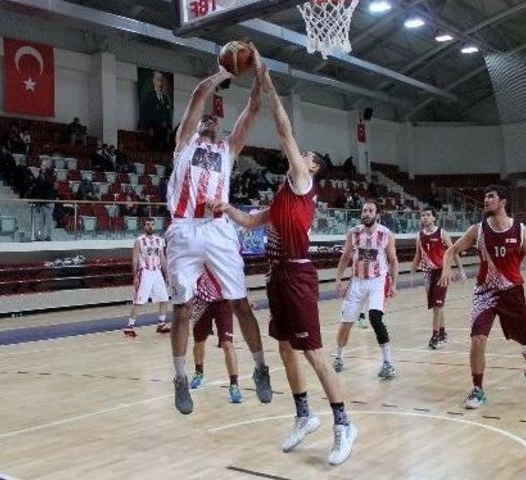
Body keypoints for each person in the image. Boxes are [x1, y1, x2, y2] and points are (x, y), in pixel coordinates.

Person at [216, 61, 357, 465]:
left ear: (312, 167)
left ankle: (344, 424)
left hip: (297, 273)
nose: (302, 154)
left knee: (312, 351)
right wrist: (224, 206)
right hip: (275, 275)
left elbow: (282, 129)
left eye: (308, 155)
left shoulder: (302, 181)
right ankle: (303, 415)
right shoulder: (282, 194)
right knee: (284, 349)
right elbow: (248, 221)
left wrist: (265, 77)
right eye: (303, 153)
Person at [166, 46, 271, 415]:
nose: (208, 120)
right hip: (184, 229)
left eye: (213, 120)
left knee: (240, 303)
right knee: (181, 309)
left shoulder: (228, 151)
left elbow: (254, 110)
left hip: (219, 229)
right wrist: (223, 73)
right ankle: (181, 379)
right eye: (203, 121)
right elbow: (198, 95)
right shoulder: (183, 146)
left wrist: (258, 71)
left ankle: (260, 368)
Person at [439, 185, 526, 409]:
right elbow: (451, 250)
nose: (486, 201)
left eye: (490, 197)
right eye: (485, 196)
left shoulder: (520, 230)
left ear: (502, 201)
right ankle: (478, 389)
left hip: (513, 294)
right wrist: (446, 269)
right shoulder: (477, 230)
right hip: (484, 294)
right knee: (478, 339)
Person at [332, 200, 399, 379]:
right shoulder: (353, 233)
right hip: (357, 282)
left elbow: (393, 260)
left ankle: (387, 363)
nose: (366, 213)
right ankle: (339, 357)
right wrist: (338, 278)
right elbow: (346, 256)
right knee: (346, 324)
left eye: (370, 211)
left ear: (377, 214)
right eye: (364, 210)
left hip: (377, 281)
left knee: (375, 318)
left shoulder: (386, 234)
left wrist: (393, 284)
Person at [412, 208, 466, 349]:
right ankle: (442, 333)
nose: (425, 218)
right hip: (428, 274)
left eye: (428, 215)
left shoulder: (442, 233)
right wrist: (412, 273)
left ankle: (435, 336)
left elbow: (454, 252)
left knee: (437, 305)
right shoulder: (419, 236)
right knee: (437, 306)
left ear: (434, 218)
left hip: (442, 272)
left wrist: (461, 270)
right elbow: (417, 256)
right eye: (423, 215)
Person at [188, 268, 243, 404]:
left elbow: (233, 274)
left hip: (223, 301)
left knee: (227, 343)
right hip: (200, 302)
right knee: (199, 342)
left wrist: (241, 299)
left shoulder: (221, 253)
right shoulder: (195, 254)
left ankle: (234, 385)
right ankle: (199, 372)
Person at [125, 218, 170, 337]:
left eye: (152, 224)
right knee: (139, 300)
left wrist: (167, 274)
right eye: (147, 224)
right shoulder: (139, 241)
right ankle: (129, 326)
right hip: (144, 272)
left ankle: (161, 324)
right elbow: (134, 260)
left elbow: (163, 259)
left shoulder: (159, 240)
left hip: (157, 272)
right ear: (144, 227)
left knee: (164, 298)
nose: (150, 226)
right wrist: (135, 276)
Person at [139, 70, 173, 152]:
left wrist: (168, 126)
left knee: (165, 148)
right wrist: (150, 127)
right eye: (158, 80)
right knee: (153, 147)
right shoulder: (149, 96)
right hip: (154, 128)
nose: (160, 83)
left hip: (163, 130)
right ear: (153, 80)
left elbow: (168, 114)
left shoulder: (165, 98)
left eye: (161, 80)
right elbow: (146, 113)